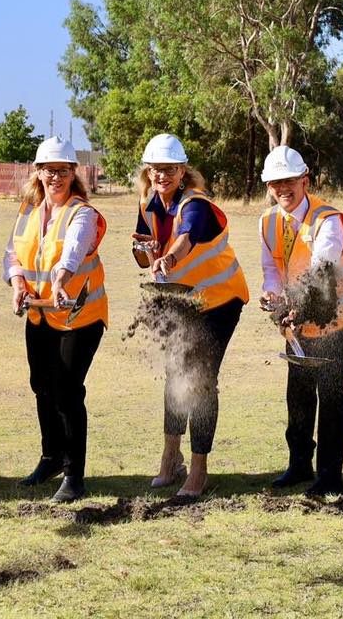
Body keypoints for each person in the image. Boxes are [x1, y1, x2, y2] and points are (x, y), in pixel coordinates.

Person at [131, 133, 249, 500]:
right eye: (156, 170)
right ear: (147, 172)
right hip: (178, 300)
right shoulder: (148, 203)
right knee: (174, 376)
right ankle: (171, 457)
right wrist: (146, 252)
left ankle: (199, 470)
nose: (162, 176)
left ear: (182, 171)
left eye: (169, 169)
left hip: (218, 302)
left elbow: (188, 237)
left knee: (199, 380)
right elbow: (140, 253)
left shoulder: (195, 204)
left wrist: (169, 258)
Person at [259, 145, 343, 497]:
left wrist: (296, 304)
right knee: (299, 390)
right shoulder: (268, 221)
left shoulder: (328, 219)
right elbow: (272, 270)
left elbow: (323, 265)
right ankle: (299, 464)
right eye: (275, 184)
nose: (283, 190)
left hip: (342, 314)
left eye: (290, 181)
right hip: (300, 317)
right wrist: (274, 297)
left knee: (331, 389)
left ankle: (330, 476)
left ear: (305, 180)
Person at [4, 136, 108, 503]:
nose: (56, 177)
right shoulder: (28, 210)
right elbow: (12, 254)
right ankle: (50, 458)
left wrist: (63, 276)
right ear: (38, 172)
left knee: (67, 390)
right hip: (39, 315)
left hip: (80, 317)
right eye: (49, 170)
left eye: (63, 170)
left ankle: (74, 475)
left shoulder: (83, 212)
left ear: (73, 173)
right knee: (42, 386)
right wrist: (17, 281)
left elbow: (76, 249)